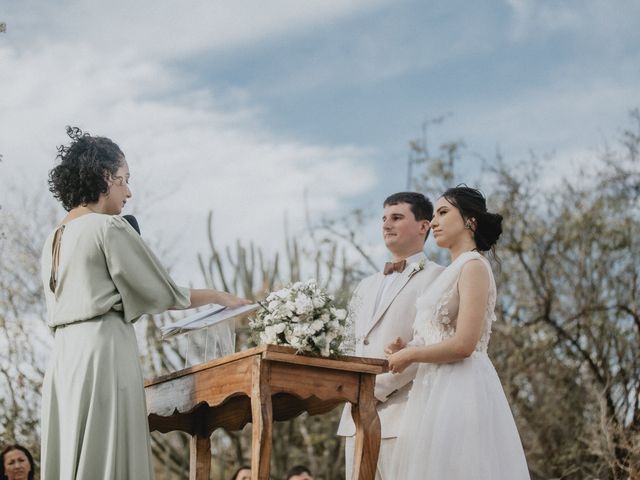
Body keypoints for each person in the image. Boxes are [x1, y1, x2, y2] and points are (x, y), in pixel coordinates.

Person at [40, 127, 250, 480]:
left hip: (64, 358)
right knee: (108, 450)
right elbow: (162, 291)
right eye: (124, 180)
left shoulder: (53, 239)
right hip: (102, 351)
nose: (129, 192)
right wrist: (218, 296)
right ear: (107, 177)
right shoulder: (107, 228)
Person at [385, 186, 530, 479]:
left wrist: (413, 355)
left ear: (470, 221)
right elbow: (437, 333)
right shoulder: (447, 272)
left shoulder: (474, 266)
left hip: (461, 387)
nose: (435, 222)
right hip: (432, 388)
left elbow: (465, 343)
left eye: (443, 212)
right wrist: (407, 346)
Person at [336, 192, 443, 480]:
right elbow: (348, 344)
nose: (386, 224)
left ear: (424, 226)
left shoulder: (438, 276)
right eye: (384, 218)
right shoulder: (364, 285)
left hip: (405, 415)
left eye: (397, 217)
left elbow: (431, 343)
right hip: (355, 420)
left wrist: (374, 391)